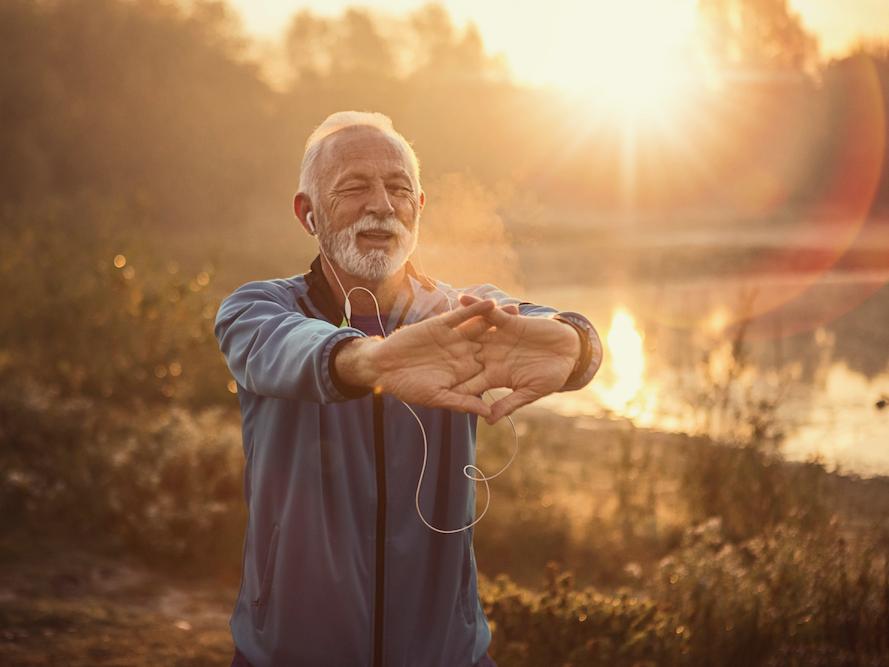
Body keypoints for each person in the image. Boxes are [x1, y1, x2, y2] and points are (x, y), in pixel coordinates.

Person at [215, 111, 603, 667]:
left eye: (400, 189)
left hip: (447, 656)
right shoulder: (258, 309)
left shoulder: (460, 312)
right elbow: (287, 348)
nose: (381, 204)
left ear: (418, 209)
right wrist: (368, 359)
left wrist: (575, 342)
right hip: (288, 654)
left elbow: (554, 328)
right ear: (308, 213)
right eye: (354, 187)